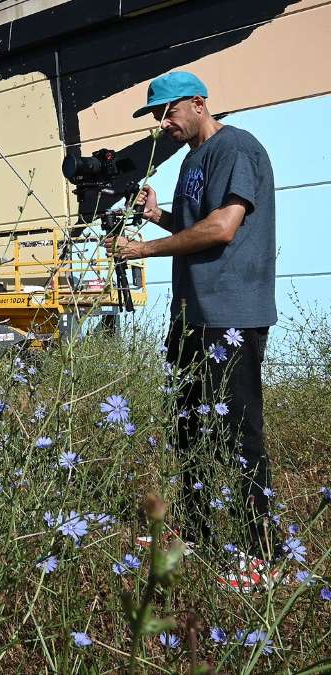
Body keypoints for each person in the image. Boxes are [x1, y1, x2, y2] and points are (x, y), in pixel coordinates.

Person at [105, 71, 277, 591]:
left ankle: (261, 555)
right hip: (193, 314)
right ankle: (197, 532)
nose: (163, 124)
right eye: (157, 116)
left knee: (239, 434)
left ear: (198, 103)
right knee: (189, 430)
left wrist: (143, 250)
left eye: (168, 112)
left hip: (231, 315)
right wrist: (158, 217)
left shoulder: (236, 148)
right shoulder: (193, 161)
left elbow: (223, 227)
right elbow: (191, 230)